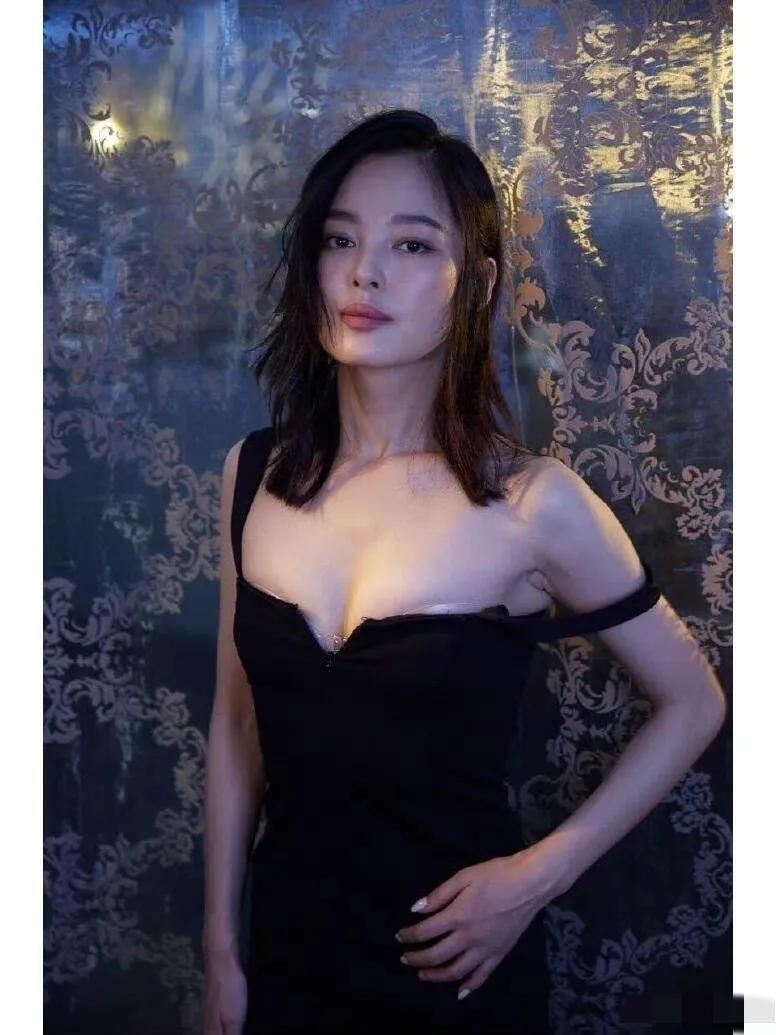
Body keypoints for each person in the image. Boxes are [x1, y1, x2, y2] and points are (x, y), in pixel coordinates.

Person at [201, 110, 726, 1034]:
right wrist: (219, 952)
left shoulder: (532, 502)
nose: (365, 272)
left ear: (475, 284)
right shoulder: (254, 474)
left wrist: (537, 876)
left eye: (412, 244)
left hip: (459, 973)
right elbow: (237, 723)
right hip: (287, 958)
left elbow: (695, 701)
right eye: (340, 239)